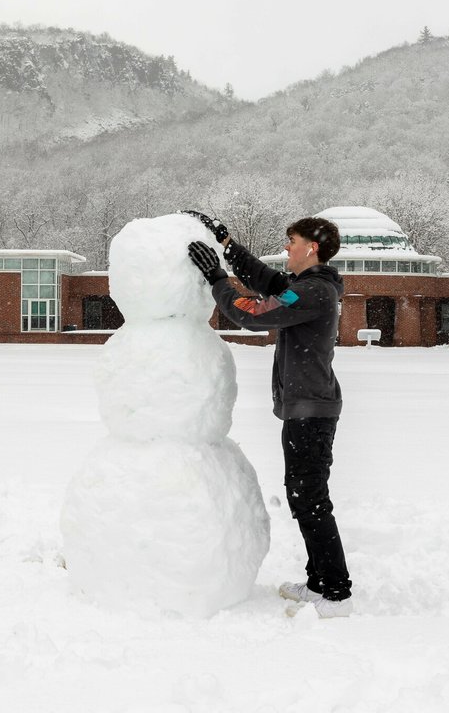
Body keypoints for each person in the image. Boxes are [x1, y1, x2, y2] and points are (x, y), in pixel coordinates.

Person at [183, 211, 353, 618]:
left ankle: (334, 593)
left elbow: (252, 313)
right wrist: (227, 245)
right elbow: (269, 282)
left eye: (291, 242)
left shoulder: (312, 292)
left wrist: (218, 281)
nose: (285, 248)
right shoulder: (307, 287)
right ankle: (320, 582)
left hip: (311, 412)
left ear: (311, 248)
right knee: (305, 495)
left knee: (310, 498)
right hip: (307, 408)